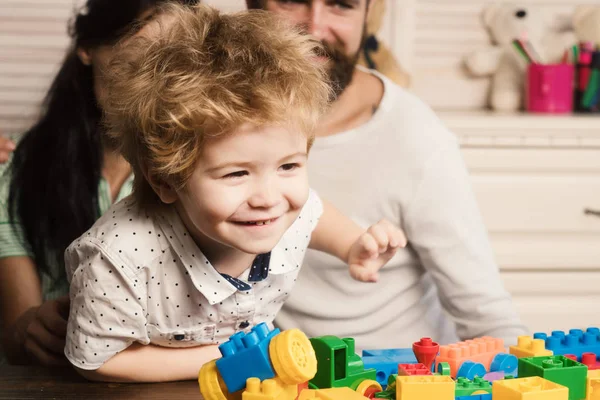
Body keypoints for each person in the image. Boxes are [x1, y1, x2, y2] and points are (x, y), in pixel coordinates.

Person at [64, 3, 406, 382]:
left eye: (288, 166)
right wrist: (223, 358)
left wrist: (354, 245)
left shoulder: (281, 210)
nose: (269, 197)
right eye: (236, 174)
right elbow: (98, 361)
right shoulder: (121, 255)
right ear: (165, 181)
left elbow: (313, 212)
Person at [246, 0, 529, 349]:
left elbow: (486, 314)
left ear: (367, 16)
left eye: (341, 5)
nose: (316, 27)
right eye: (292, 0)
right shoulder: (211, 120)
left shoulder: (416, 137)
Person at [0, 0, 200, 366]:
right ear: (88, 48)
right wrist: (30, 326)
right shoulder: (16, 167)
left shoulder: (211, 168)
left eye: (175, 61)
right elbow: (16, 331)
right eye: (139, 56)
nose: (152, 82)